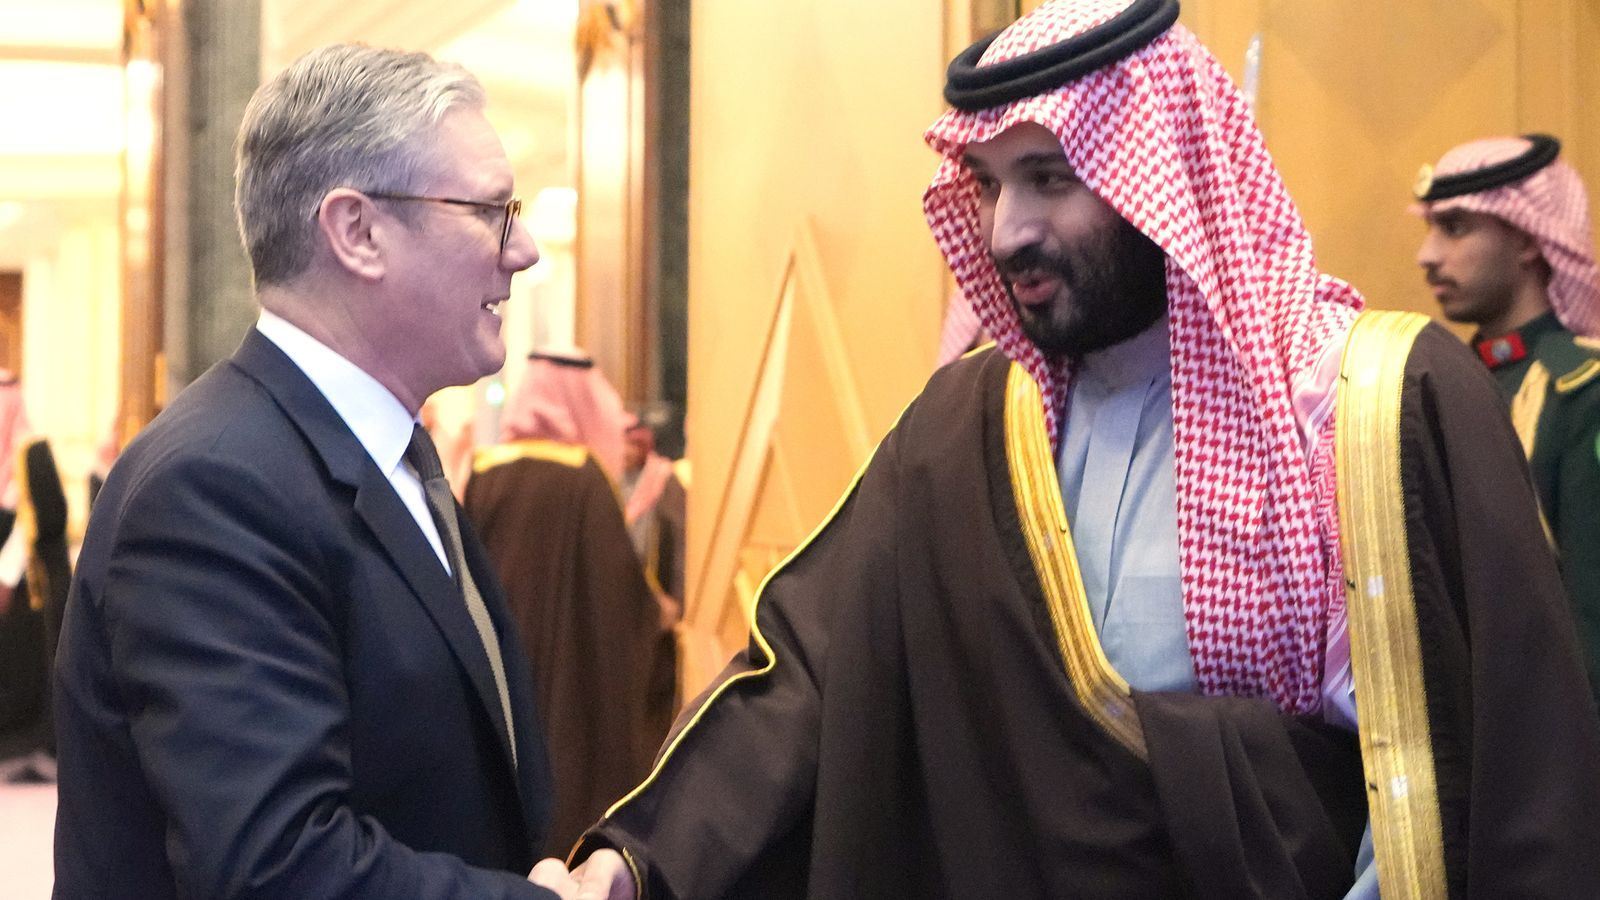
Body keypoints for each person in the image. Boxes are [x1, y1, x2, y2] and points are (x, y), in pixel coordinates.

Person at [566, 2, 1600, 897]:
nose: (1005, 231)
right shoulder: (967, 425)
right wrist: (636, 862)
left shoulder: (1371, 403)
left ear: (1161, 175)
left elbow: (1480, 768)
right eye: (986, 185)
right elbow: (807, 669)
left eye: (1051, 177)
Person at [52, 44, 581, 898]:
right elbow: (276, 867)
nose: (522, 250)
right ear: (357, 232)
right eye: (492, 210)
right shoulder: (213, 488)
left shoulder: (385, 448)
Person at [464, 351, 676, 859]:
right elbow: (619, 603)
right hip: (568, 693)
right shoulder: (584, 479)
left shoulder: (484, 471)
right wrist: (660, 616)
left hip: (495, 678)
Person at [1414, 134, 1600, 697]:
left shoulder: (1580, 391)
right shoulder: (1438, 387)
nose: (1427, 255)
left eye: (1455, 227)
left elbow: (1589, 611)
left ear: (1525, 237)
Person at [622, 410, 686, 623]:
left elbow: (680, 541)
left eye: (632, 444)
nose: (625, 451)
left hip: (657, 586)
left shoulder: (663, 479)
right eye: (621, 444)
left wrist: (677, 599)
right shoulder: (609, 478)